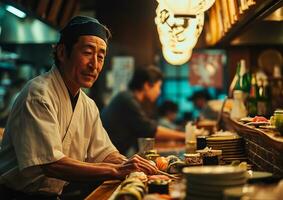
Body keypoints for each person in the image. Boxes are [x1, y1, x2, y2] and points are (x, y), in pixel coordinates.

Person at [0, 16, 157, 199]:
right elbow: (51, 164)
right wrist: (116, 170)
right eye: (87, 52)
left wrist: (131, 164)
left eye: (100, 57)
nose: (94, 65)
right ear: (61, 52)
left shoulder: (87, 104)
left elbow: (105, 153)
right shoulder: (38, 94)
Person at [101, 66, 185, 156]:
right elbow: (150, 129)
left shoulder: (128, 97)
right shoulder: (127, 100)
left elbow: (148, 127)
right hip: (109, 158)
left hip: (116, 155)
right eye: (158, 87)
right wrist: (184, 136)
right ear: (147, 85)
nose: (159, 92)